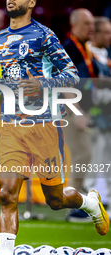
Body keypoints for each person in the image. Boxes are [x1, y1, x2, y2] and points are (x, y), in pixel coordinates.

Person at [0, 1, 110, 255]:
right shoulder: (1, 37)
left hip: (44, 125)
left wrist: (43, 84)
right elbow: (9, 78)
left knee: (55, 200)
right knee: (6, 194)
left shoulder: (45, 35)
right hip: (11, 125)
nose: (10, 0)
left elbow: (71, 75)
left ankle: (90, 203)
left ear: (31, 3)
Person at [61, 9, 96, 222]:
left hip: (78, 110)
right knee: (82, 154)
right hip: (69, 110)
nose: (90, 27)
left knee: (83, 155)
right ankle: (74, 206)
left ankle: (78, 202)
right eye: (86, 23)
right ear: (74, 25)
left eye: (92, 23)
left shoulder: (83, 47)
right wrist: (77, 112)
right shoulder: (69, 49)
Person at [84, 17, 111, 217]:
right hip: (92, 116)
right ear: (96, 33)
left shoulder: (105, 55)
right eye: (107, 32)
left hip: (107, 116)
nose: (110, 36)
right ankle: (86, 206)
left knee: (107, 161)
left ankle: (106, 204)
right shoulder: (84, 54)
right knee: (91, 162)